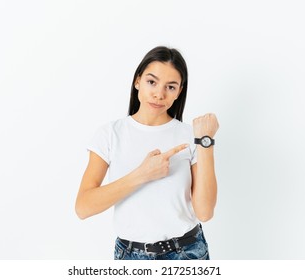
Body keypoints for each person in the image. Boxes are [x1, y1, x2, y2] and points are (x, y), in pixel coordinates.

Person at [75, 46, 219, 260]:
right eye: (152, 82)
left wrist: (205, 142)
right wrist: (142, 174)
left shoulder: (190, 135)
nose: (159, 94)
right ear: (137, 81)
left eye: (170, 87)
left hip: (186, 253)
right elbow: (83, 207)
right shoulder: (111, 134)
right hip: (131, 256)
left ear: (179, 92)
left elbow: (205, 212)